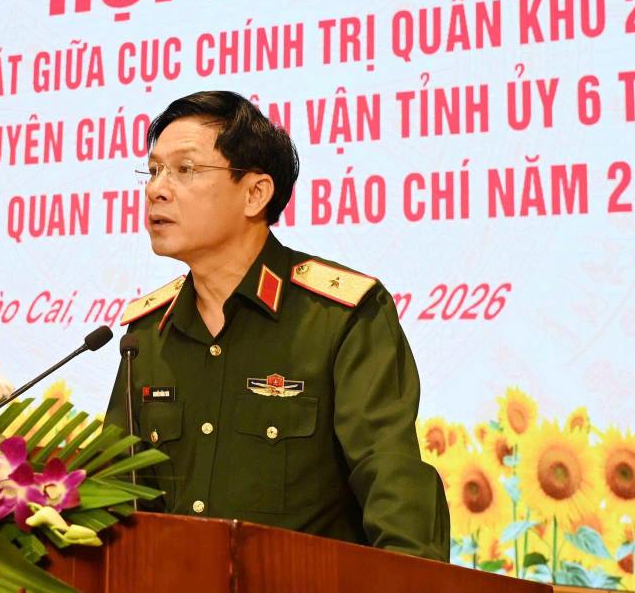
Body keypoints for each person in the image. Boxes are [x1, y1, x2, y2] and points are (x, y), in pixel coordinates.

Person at [105, 90, 449, 560]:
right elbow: (116, 501)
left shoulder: (340, 318)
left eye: (185, 169)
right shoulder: (146, 335)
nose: (156, 190)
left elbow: (392, 484)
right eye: (154, 170)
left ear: (255, 193)